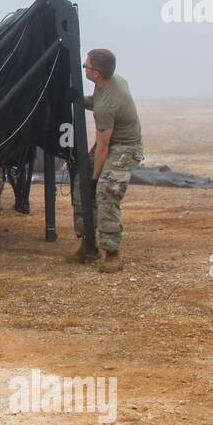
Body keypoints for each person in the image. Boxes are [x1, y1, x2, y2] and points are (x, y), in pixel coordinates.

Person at [69, 48, 144, 272]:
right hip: (111, 144)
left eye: (86, 66)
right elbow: (99, 100)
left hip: (125, 148)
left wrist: (95, 178)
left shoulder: (107, 105)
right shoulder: (108, 82)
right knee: (80, 186)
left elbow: (102, 147)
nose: (84, 68)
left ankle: (112, 253)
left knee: (105, 192)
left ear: (97, 73)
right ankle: (87, 243)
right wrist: (81, 100)